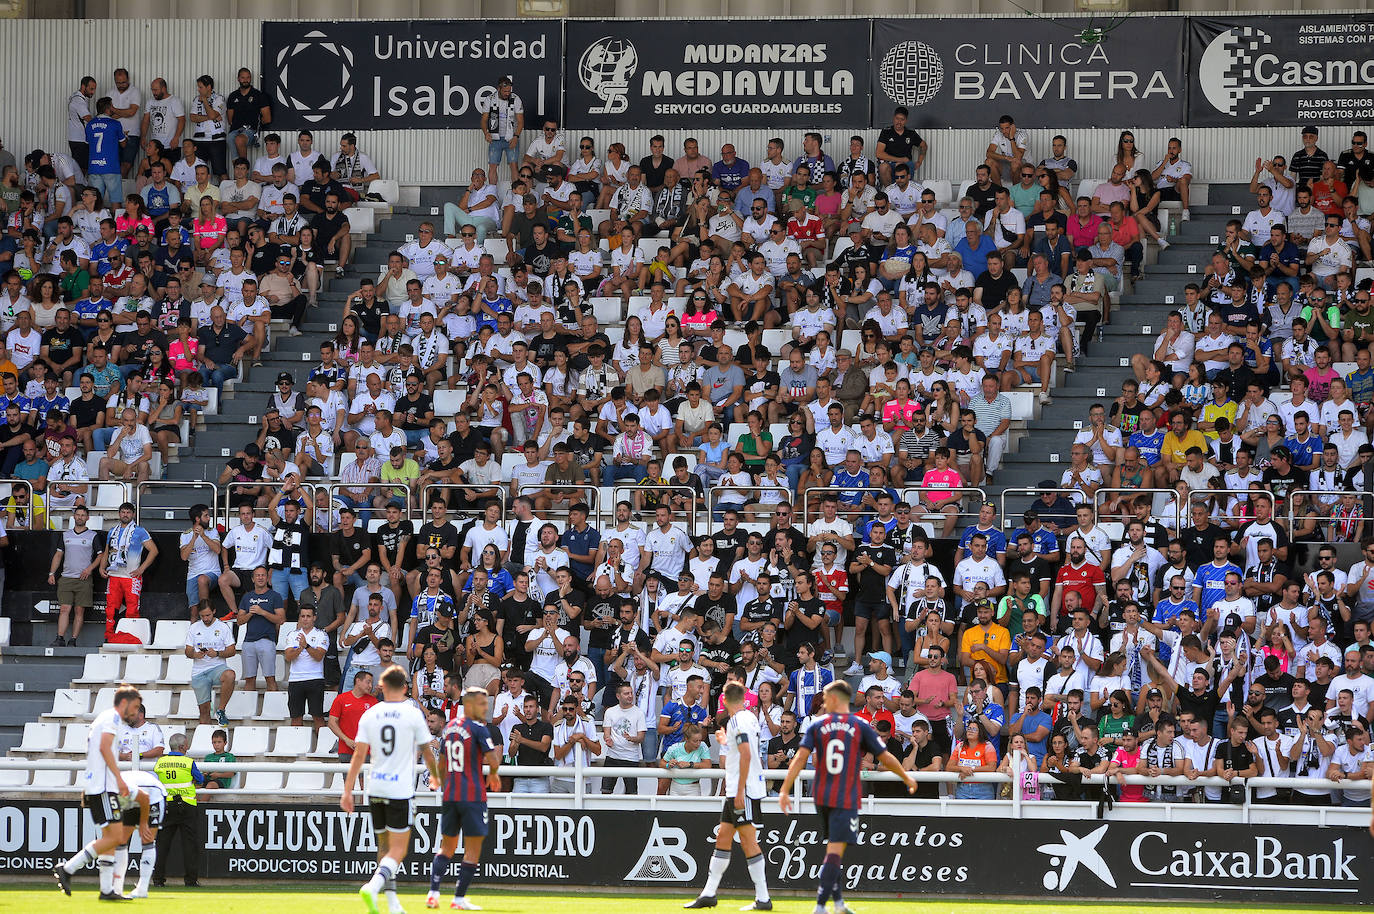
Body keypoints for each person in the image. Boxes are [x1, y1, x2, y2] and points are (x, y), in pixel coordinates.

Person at [778, 680, 916, 913]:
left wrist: (785, 788)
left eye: (825, 697)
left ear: (835, 699)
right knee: (834, 851)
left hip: (820, 795)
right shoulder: (859, 725)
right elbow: (884, 756)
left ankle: (839, 903)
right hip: (845, 796)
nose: (823, 702)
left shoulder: (817, 725)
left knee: (834, 848)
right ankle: (820, 906)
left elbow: (800, 759)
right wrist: (905, 776)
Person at [341, 664, 440, 914]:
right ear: (405, 687)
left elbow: (358, 755)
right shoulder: (412, 713)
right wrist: (436, 777)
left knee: (384, 847)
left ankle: (392, 902)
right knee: (398, 849)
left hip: (375, 787)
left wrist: (348, 790)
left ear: (381, 687)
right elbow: (427, 751)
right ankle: (373, 887)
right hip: (400, 789)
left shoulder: (370, 714)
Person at [683, 682, 772, 912]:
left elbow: (745, 754)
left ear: (724, 699)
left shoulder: (738, 720)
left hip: (743, 790)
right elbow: (743, 749)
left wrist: (740, 790)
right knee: (723, 837)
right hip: (736, 789)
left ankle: (763, 898)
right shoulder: (748, 718)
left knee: (748, 841)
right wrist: (725, 742)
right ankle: (709, 894)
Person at [53, 684, 142, 901]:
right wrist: (119, 779)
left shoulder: (105, 718)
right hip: (104, 788)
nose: (137, 712)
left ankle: (106, 890)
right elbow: (104, 747)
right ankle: (68, 868)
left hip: (99, 786)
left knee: (110, 838)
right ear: (125, 703)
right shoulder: (111, 718)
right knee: (116, 836)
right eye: (136, 707)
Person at [428, 686, 503, 911]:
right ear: (469, 705)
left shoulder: (449, 727)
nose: (485, 707)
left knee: (446, 848)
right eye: (482, 703)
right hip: (472, 796)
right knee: (472, 850)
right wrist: (493, 774)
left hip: (450, 795)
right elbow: (494, 759)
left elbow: (441, 764)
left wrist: (437, 780)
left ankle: (433, 892)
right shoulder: (479, 729)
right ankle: (458, 898)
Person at [149, 731, 205, 889]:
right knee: (189, 845)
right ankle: (191, 881)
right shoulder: (188, 762)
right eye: (186, 745)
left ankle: (158, 880)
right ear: (182, 746)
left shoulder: (160, 762)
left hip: (166, 806)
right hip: (187, 806)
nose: (187, 747)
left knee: (162, 844)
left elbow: (157, 781)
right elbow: (200, 780)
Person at [99, 501, 157, 642]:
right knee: (111, 609)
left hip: (131, 576)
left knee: (132, 609)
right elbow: (107, 551)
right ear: (119, 514)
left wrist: (141, 569)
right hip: (114, 575)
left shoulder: (140, 531)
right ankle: (109, 637)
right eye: (123, 512)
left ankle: (132, 637)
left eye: (128, 512)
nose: (125, 515)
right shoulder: (112, 531)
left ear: (133, 514)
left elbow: (154, 550)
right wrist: (101, 567)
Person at [47, 504, 103, 646]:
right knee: (64, 609)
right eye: (78, 515)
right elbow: (58, 555)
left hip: (83, 579)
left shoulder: (93, 535)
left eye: (83, 515)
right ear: (74, 517)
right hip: (66, 578)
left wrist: (89, 569)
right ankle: (60, 638)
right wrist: (52, 572)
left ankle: (73, 640)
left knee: (79, 611)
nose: (80, 517)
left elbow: (100, 555)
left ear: (87, 518)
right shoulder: (66, 535)